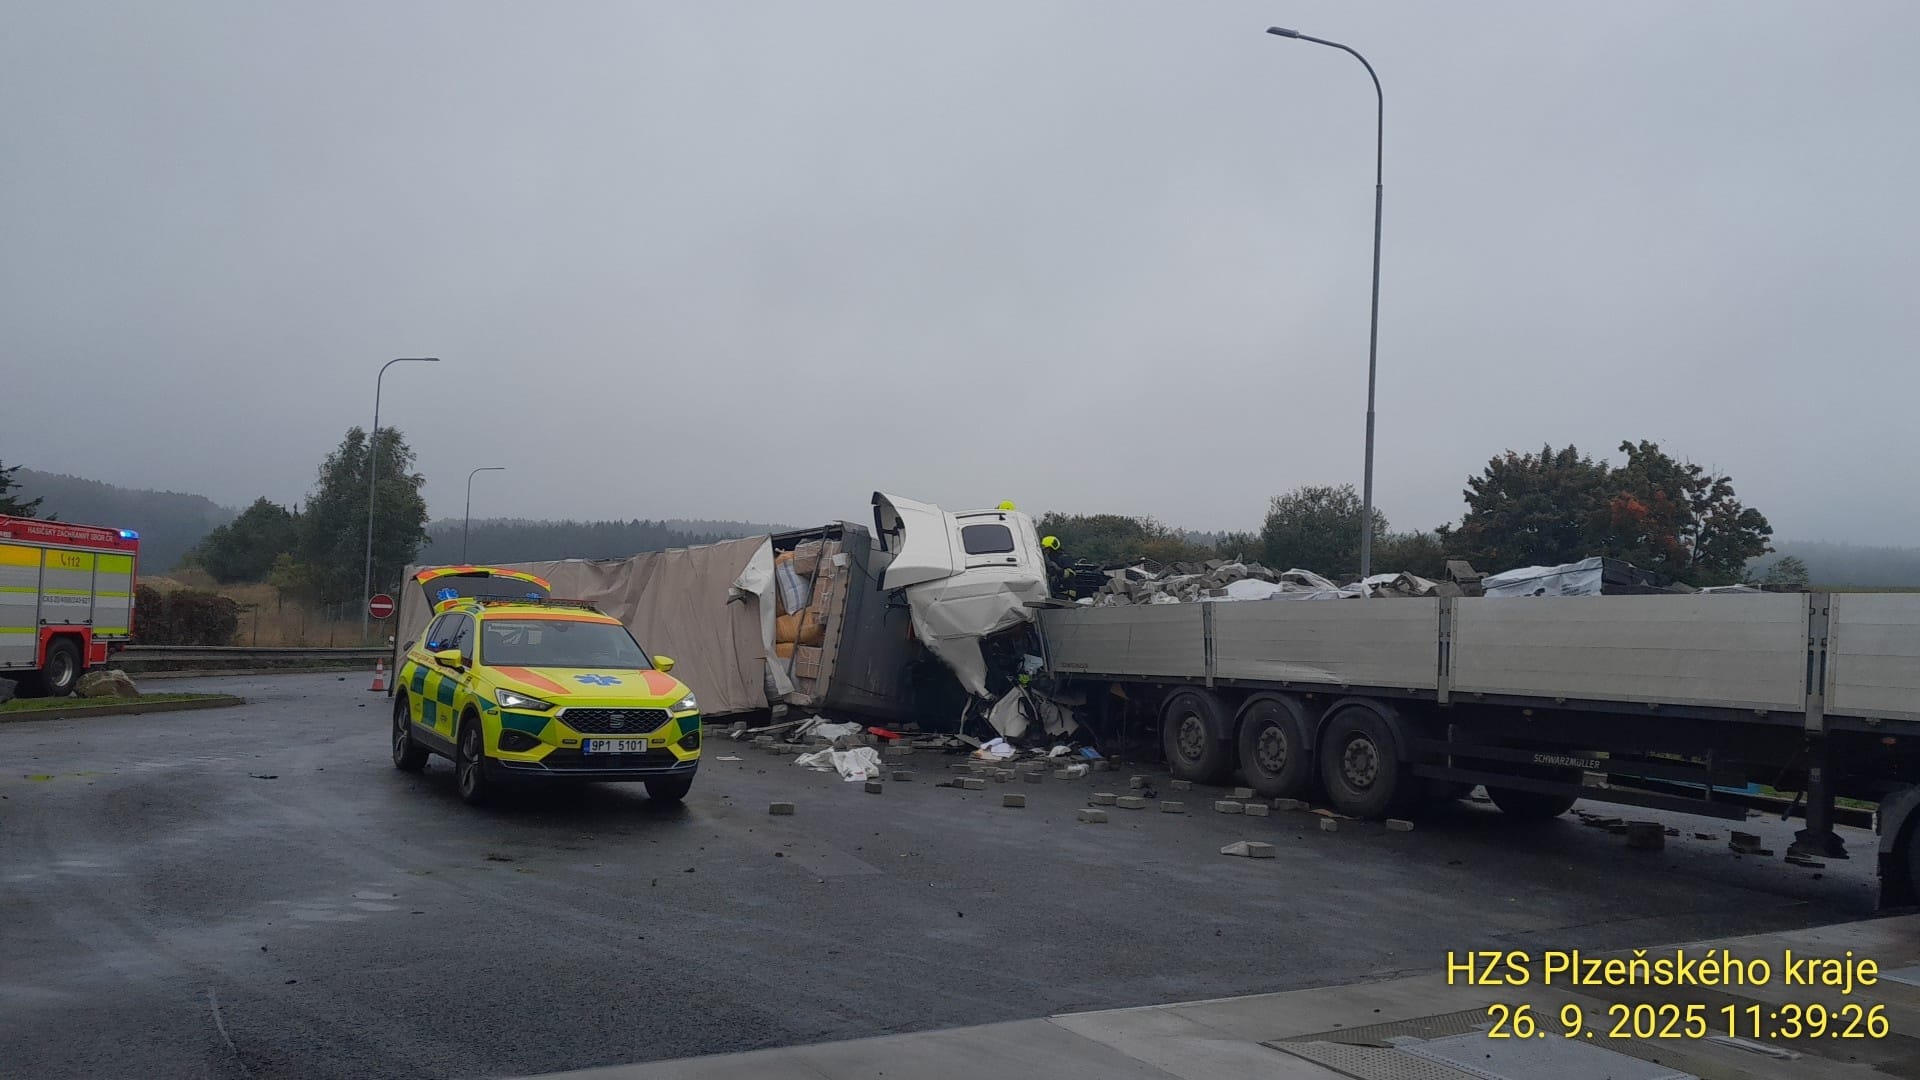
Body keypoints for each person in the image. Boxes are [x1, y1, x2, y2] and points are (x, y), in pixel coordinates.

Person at [1041, 535, 1075, 599]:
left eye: (1046, 549)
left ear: (1051, 548)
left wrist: (1056, 568)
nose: (1044, 552)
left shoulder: (1065, 558)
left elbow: (1071, 575)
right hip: (1054, 594)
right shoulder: (1048, 560)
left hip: (1066, 594)